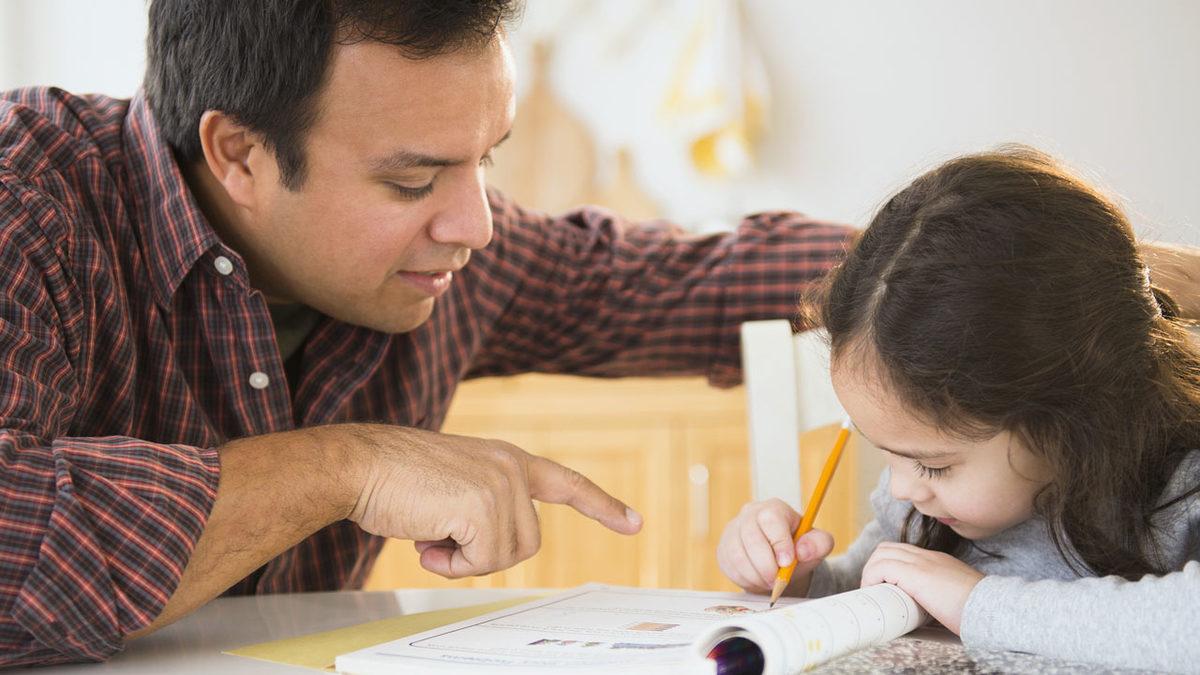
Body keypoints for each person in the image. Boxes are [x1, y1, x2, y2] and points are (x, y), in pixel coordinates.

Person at [0, 0, 864, 665]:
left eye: (484, 158)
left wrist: (955, 255)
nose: (477, 224)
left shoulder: (451, 259)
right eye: (414, 180)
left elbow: (686, 282)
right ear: (238, 155)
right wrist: (348, 464)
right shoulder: (25, 201)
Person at [717, 147, 1200, 671]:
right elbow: (880, 594)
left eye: (934, 465)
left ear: (1071, 415)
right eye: (886, 453)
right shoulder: (925, 504)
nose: (901, 489)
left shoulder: (1180, 488)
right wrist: (803, 578)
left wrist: (975, 604)